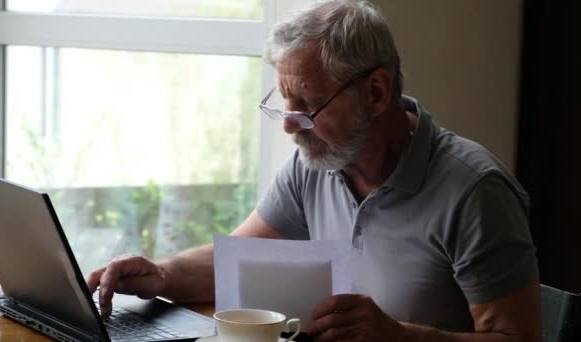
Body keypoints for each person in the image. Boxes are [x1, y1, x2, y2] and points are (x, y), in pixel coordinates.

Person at [87, 1, 541, 341]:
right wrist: (160, 275)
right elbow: (235, 261)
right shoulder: (316, 164)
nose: (289, 123)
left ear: (377, 93)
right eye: (284, 103)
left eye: (308, 104)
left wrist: (400, 338)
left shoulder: (475, 191)